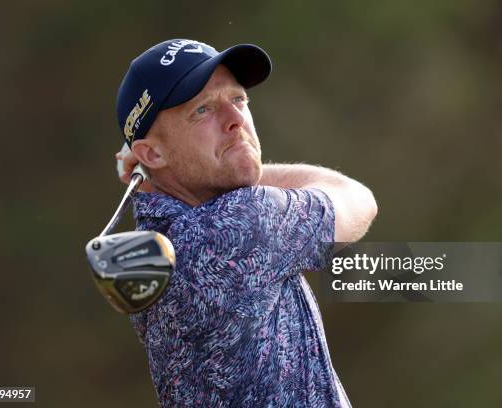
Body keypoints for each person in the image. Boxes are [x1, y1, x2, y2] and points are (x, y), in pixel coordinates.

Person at [114, 38, 377, 407]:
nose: (236, 120)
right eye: (203, 110)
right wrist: (230, 164)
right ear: (150, 153)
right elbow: (355, 198)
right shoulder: (238, 225)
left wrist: (170, 163)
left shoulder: (159, 240)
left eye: (238, 100)